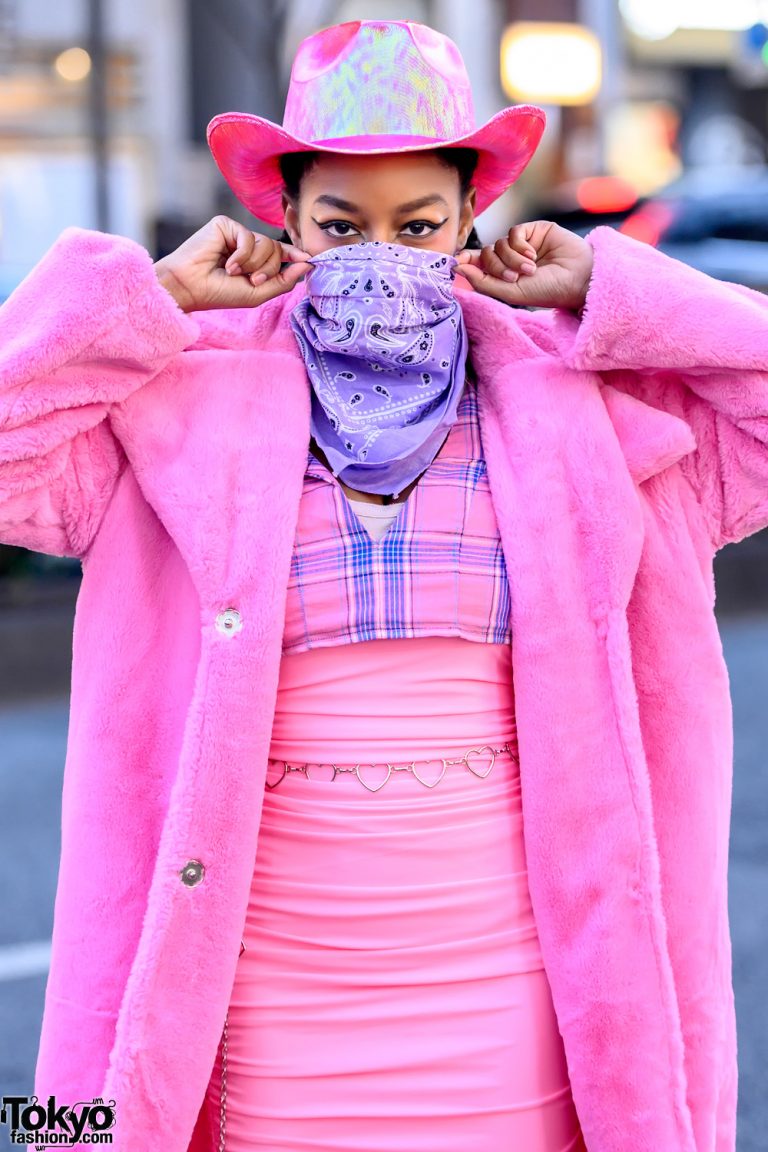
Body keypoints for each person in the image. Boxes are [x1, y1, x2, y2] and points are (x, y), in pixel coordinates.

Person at [1, 16, 766, 1152]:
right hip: (264, 985)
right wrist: (150, 302)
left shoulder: (583, 402)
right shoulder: (174, 398)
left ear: (471, 219)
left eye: (419, 224)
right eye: (342, 222)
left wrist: (612, 285)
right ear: (284, 218)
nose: (383, 251)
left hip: (516, 982)